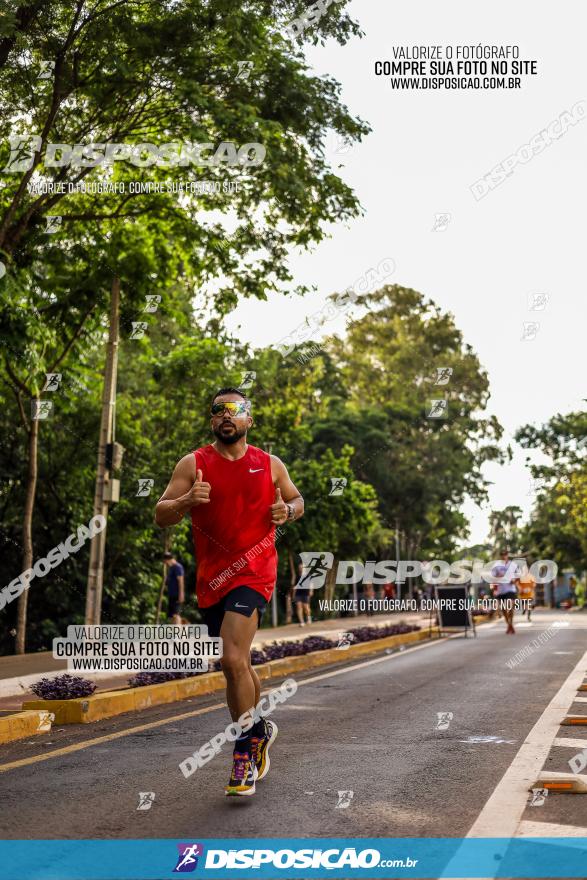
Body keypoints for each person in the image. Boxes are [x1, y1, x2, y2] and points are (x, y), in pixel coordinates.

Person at [155, 387, 304, 796]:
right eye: (218, 409)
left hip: (255, 571)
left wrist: (286, 512)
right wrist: (187, 499)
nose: (226, 415)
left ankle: (243, 752)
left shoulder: (269, 464)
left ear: (248, 420)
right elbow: (160, 514)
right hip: (212, 579)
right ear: (211, 420)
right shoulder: (194, 463)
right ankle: (259, 729)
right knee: (240, 664)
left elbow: (297, 500)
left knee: (232, 658)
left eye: (235, 410)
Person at [490, 549, 519, 634]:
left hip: (510, 589)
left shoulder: (513, 565)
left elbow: (518, 575)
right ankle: (509, 625)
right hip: (501, 590)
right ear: (500, 556)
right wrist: (494, 589)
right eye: (502, 555)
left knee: (510, 607)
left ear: (507, 555)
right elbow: (492, 578)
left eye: (505, 554)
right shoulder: (497, 566)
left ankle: (511, 624)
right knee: (504, 610)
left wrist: (514, 581)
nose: (504, 556)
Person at [163, 552, 185, 624]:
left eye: (165, 561)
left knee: (176, 614)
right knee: (172, 615)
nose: (166, 564)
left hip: (176, 594)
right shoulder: (171, 568)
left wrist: (181, 594)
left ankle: (178, 633)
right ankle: (174, 633)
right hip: (171, 594)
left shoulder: (178, 567)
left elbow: (181, 581)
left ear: (168, 559)